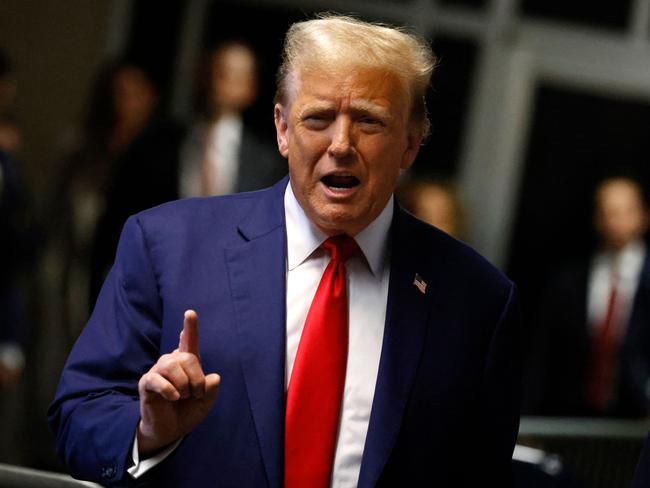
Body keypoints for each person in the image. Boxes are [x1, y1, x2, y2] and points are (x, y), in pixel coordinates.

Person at [48, 15, 521, 487]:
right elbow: (78, 416)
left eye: (369, 121)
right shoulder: (167, 246)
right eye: (317, 118)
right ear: (281, 128)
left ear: (411, 143)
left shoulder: (478, 302)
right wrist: (146, 433)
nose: (341, 145)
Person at [525, 176, 650, 417]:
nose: (616, 221)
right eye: (607, 211)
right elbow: (544, 354)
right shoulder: (570, 280)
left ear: (643, 216)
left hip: (636, 417)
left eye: (625, 211)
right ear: (597, 217)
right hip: (571, 414)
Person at [179, 40, 284, 198]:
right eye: (213, 71)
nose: (217, 82)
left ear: (250, 88)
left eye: (232, 76)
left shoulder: (266, 160)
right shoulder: (166, 143)